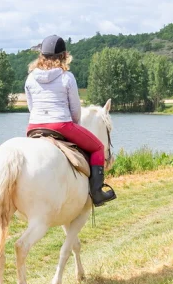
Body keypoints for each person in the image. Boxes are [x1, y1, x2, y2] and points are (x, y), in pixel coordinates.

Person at [25, 34, 116, 206]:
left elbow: (31, 107)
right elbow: (75, 111)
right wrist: (74, 125)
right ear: (64, 56)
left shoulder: (30, 78)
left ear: (41, 56)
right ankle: (97, 193)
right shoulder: (67, 77)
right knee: (98, 147)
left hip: (33, 127)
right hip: (61, 125)